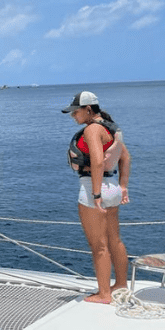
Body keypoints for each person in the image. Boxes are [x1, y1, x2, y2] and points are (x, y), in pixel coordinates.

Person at [62, 91, 132, 304]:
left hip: (94, 187)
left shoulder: (92, 129)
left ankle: (103, 294)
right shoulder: (113, 129)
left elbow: (98, 161)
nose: (74, 116)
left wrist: (96, 194)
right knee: (115, 240)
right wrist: (123, 187)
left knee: (99, 246)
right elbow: (126, 158)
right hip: (112, 187)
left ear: (89, 109)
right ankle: (120, 284)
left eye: (76, 112)